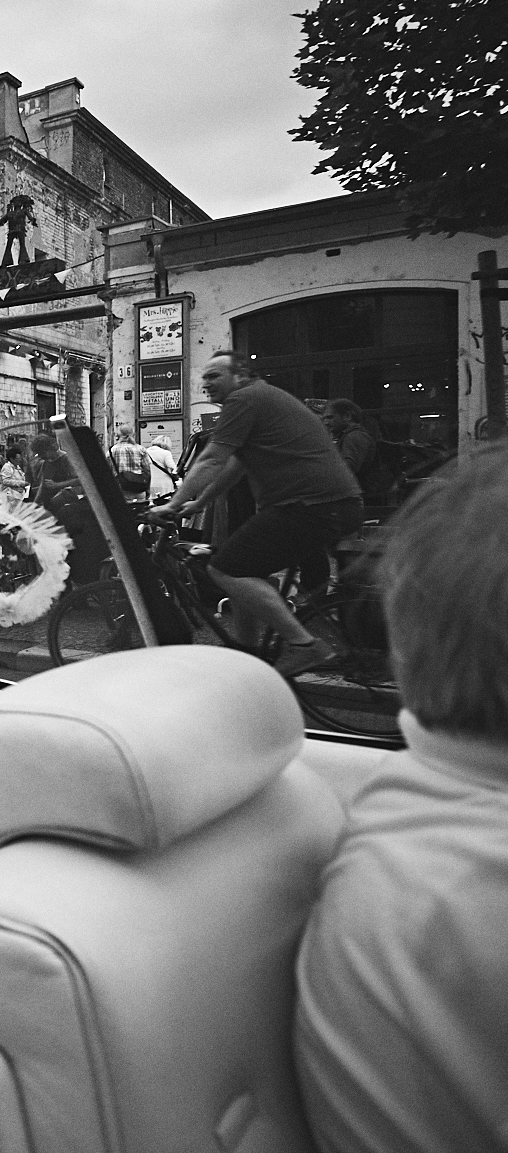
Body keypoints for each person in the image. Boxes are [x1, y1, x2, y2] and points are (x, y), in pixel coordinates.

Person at [294, 446, 508, 1153]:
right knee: (235, 566)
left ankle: (296, 636)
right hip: (317, 510)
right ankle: (299, 639)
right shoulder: (477, 888)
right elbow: (215, 472)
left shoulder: (419, 824)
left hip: (310, 510)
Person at [152, 353, 362, 675]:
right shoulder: (260, 399)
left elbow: (212, 459)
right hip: (328, 505)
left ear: (240, 375)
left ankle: (304, 645)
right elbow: (235, 466)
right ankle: (248, 654)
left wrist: (172, 504)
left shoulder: (244, 399)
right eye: (205, 377)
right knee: (243, 568)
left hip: (311, 506)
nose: (206, 382)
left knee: (224, 569)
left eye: (215, 375)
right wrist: (198, 502)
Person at [320, 399, 388, 505]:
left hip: (362, 499)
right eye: (324, 419)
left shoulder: (354, 437)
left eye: (330, 417)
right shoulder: (352, 436)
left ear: (347, 416)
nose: (326, 423)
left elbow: (348, 467)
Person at [108, 426, 152, 502]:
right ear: (133, 434)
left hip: (121, 487)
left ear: (118, 435)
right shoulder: (140, 449)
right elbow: (147, 470)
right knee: (141, 507)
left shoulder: (112, 451)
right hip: (139, 486)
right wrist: (147, 488)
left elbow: (108, 471)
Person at [144, 434, 179, 501]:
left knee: (152, 502)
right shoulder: (166, 453)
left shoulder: (145, 452)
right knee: (164, 502)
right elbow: (172, 467)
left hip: (149, 483)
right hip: (164, 484)